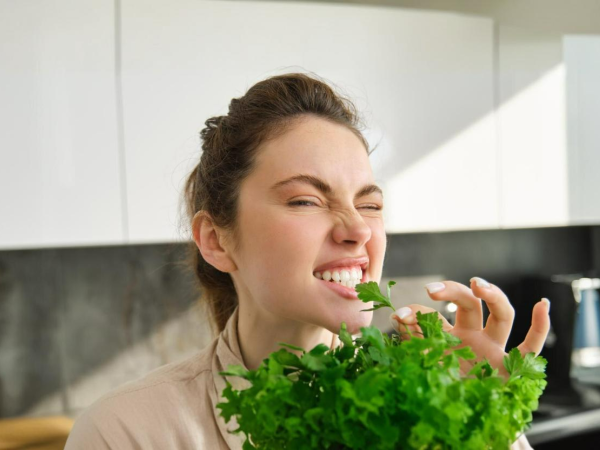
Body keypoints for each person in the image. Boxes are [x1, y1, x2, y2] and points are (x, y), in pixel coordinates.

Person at [65, 72, 549, 449]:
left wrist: (479, 416)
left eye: (370, 204)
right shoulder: (125, 433)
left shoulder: (429, 398)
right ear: (216, 241)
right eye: (305, 201)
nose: (358, 229)